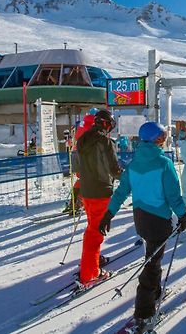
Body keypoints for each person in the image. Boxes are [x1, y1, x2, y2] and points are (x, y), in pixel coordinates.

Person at [98, 122, 186, 333]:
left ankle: (155, 293)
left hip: (141, 218)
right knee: (152, 264)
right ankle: (144, 313)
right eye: (163, 135)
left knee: (152, 256)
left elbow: (121, 192)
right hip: (159, 220)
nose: (165, 138)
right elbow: (173, 194)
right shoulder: (164, 163)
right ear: (158, 139)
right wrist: (183, 214)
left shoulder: (134, 163)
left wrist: (109, 213)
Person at [76, 109, 122, 288]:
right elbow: (114, 169)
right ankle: (90, 274)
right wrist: (128, 177)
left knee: (93, 228)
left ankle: (91, 261)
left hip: (86, 191)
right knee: (95, 233)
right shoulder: (105, 141)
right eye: (110, 126)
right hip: (100, 192)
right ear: (106, 124)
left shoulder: (82, 139)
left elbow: (79, 166)